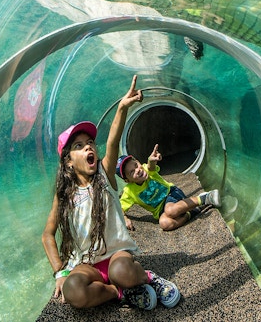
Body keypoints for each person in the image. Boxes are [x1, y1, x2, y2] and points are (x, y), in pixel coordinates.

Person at [42, 75, 181, 311]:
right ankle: (118, 292)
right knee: (73, 291)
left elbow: (113, 141)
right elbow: (47, 235)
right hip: (87, 265)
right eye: (79, 146)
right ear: (68, 163)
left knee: (122, 271)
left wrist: (122, 108)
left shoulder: (104, 176)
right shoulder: (64, 195)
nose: (88, 146)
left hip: (117, 256)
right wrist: (60, 272)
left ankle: (147, 278)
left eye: (90, 143)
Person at [116, 143, 221, 232]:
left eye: (136, 165)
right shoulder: (129, 192)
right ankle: (193, 211)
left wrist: (151, 160)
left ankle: (205, 198)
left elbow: (150, 166)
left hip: (171, 194)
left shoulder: (146, 170)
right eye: (132, 172)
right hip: (162, 211)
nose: (137, 170)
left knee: (170, 210)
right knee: (164, 223)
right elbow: (119, 207)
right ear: (128, 180)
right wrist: (124, 218)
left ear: (138, 162)